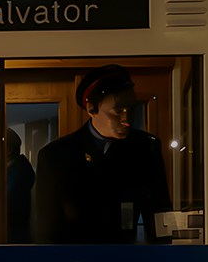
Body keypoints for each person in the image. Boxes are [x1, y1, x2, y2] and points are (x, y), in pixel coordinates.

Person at [34, 64, 172, 244]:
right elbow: (48, 231)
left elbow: (159, 213)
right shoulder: (56, 156)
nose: (127, 120)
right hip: (77, 261)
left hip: (130, 259)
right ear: (91, 109)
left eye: (131, 109)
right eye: (119, 111)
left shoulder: (145, 148)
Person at [4, 129, 36, 244]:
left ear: (8, 150)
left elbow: (2, 210)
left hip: (14, 241)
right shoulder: (18, 170)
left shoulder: (18, 173)